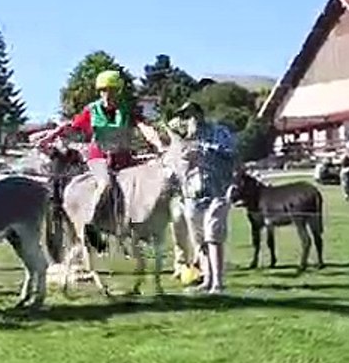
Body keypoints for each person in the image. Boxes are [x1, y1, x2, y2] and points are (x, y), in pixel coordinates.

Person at [35, 69, 166, 237]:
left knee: (146, 179)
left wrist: (158, 145)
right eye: (104, 90)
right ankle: (91, 223)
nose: (108, 94)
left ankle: (139, 222)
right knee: (105, 183)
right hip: (99, 157)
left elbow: (145, 128)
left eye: (112, 90)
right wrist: (51, 136)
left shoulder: (127, 110)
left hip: (123, 157)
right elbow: (71, 127)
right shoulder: (92, 110)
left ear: (118, 91)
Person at [175, 101, 237, 294]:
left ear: (199, 114)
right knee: (199, 239)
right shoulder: (185, 139)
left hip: (218, 190)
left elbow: (231, 153)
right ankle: (207, 279)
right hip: (192, 192)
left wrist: (203, 151)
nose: (188, 120)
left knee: (214, 235)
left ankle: (218, 283)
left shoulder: (219, 132)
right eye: (185, 117)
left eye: (191, 115)